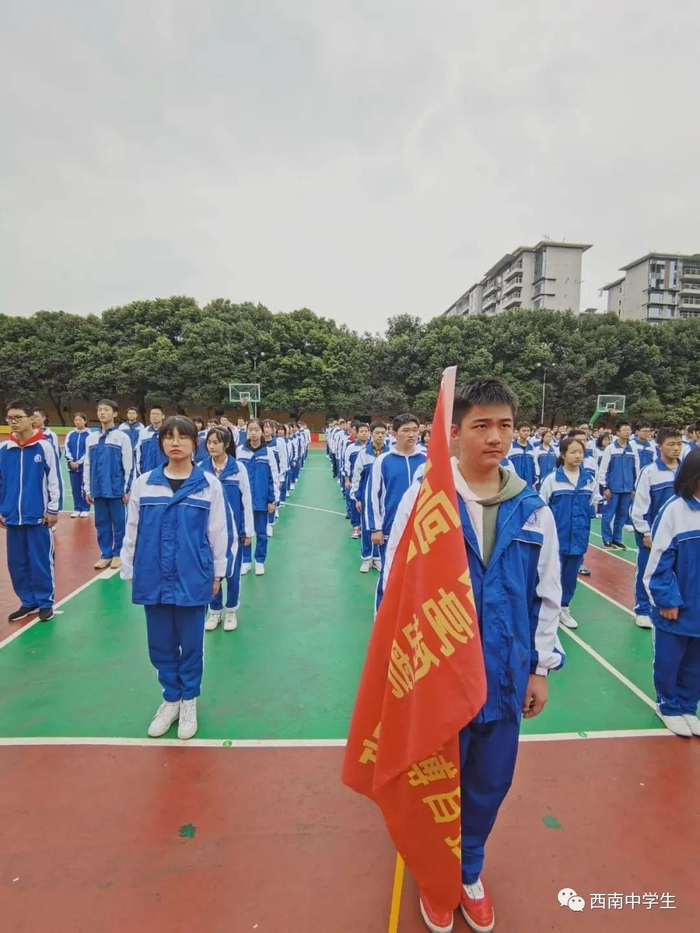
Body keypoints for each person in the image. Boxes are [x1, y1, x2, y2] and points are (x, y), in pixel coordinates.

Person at [385, 378, 564, 933]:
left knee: (488, 780)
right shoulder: (423, 501)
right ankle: (434, 877)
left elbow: (549, 594)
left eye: (505, 425)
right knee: (433, 779)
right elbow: (392, 590)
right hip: (435, 674)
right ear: (454, 432)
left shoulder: (534, 510)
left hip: (504, 675)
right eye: (481, 425)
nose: (495, 437)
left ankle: (469, 869)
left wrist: (539, 668)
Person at [121, 416, 234, 740]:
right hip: (152, 573)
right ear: (161, 443)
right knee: (160, 644)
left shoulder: (208, 484)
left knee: (191, 644)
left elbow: (218, 532)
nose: (175, 442)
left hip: (192, 574)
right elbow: (132, 529)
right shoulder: (145, 483)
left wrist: (218, 571)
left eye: (182, 436)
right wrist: (128, 567)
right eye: (168, 436)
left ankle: (189, 701)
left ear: (194, 443)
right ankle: (170, 698)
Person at [644, 448, 700, 738]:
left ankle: (689, 706)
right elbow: (659, 562)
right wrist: (666, 599)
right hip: (678, 607)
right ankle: (668, 705)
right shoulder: (675, 510)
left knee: (696, 663)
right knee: (670, 659)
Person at [0, 400, 60, 623]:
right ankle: (28, 602)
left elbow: (54, 480)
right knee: (16, 562)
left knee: (40, 560)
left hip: (37, 517)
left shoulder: (43, 447)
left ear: (31, 419)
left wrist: (53, 509)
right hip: (12, 517)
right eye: (9, 418)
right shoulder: (4, 450)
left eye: (18, 417)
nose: (13, 422)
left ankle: (45, 602)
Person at [367, 414, 426, 605]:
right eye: (406, 430)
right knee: (390, 574)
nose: (411, 435)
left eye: (415, 430)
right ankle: (383, 616)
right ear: (394, 433)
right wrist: (376, 528)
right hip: (391, 528)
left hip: (421, 530)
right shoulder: (383, 461)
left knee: (419, 576)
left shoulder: (427, 460)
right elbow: (372, 496)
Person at [539, 437, 595, 628]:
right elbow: (542, 509)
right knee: (550, 574)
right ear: (563, 455)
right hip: (556, 538)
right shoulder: (552, 480)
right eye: (573, 452)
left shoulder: (589, 480)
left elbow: (590, 505)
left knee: (570, 576)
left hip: (578, 538)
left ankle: (564, 607)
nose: (578, 456)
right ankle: (546, 608)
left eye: (581, 452)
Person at [630, 427, 683, 629]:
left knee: (679, 570)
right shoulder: (650, 472)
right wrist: (644, 531)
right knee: (648, 570)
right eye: (671, 444)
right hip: (654, 533)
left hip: (680, 534)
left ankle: (674, 605)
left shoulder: (686, 471)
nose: (676, 448)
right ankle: (642, 609)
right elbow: (639, 506)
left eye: (679, 444)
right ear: (659, 446)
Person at [202, 427, 252, 632]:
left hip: (233, 532)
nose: (212, 446)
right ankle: (214, 612)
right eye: (209, 442)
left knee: (232, 573)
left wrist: (248, 530)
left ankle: (231, 610)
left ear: (227, 444)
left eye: (216, 442)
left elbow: (246, 501)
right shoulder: (201, 468)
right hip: (209, 531)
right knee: (212, 572)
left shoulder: (238, 468)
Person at [83, 399, 133, 570]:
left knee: (119, 522)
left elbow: (128, 465)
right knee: (101, 523)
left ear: (115, 413)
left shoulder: (122, 437)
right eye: (99, 410)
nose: (102, 413)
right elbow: (87, 464)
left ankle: (119, 553)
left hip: (116, 488)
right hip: (98, 489)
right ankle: (106, 554)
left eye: (106, 410)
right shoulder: (91, 438)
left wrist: (127, 489)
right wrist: (88, 488)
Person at [236, 418, 279, 575]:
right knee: (244, 531)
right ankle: (246, 560)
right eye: (251, 430)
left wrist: (272, 500)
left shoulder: (268, 452)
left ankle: (259, 560)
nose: (253, 433)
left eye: (256, 430)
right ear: (247, 431)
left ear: (262, 432)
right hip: (242, 501)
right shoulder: (240, 450)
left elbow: (273, 477)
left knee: (261, 532)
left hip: (261, 500)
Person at [351, 421, 389, 572]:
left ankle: (378, 558)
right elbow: (357, 477)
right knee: (367, 527)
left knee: (382, 528)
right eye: (377, 433)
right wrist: (357, 497)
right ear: (371, 434)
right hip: (367, 498)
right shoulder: (363, 454)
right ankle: (367, 558)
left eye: (383, 433)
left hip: (385, 498)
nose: (380, 435)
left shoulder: (390, 453)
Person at [596, 421, 637, 550]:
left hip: (628, 487)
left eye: (629, 429)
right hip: (613, 488)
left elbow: (636, 468)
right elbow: (603, 469)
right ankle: (607, 539)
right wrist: (605, 487)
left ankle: (617, 539)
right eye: (624, 429)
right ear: (618, 432)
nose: (627, 432)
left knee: (622, 515)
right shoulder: (611, 449)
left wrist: (634, 487)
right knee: (608, 514)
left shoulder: (632, 448)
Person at [32, 408, 64, 510]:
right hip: (33, 468)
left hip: (47, 468)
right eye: (32, 417)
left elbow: (56, 454)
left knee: (49, 489)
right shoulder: (29, 434)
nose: (34, 419)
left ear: (43, 418)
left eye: (36, 416)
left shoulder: (50, 435)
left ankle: (51, 511)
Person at [343, 422, 370, 539]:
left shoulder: (373, 447)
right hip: (356, 480)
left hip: (370, 480)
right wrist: (347, 480)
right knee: (355, 502)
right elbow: (347, 465)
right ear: (356, 434)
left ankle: (367, 525)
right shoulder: (351, 447)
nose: (364, 434)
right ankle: (356, 526)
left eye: (366, 431)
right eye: (361, 431)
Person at [65, 412, 92, 517]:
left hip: (84, 467)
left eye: (80, 420)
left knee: (85, 487)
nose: (78, 422)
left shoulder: (89, 435)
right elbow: (67, 448)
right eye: (76, 420)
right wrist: (71, 461)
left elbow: (88, 451)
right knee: (75, 488)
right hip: (72, 467)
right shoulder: (71, 434)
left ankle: (85, 508)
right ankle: (77, 508)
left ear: (85, 421)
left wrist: (79, 462)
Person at [135, 406, 167, 475]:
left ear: (163, 416)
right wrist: (139, 469)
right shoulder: (143, 433)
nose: (154, 416)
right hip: (147, 471)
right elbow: (138, 452)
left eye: (157, 414)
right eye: (152, 414)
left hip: (165, 471)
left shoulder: (168, 432)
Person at [507, 422, 539, 488]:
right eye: (523, 431)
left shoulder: (532, 448)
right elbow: (506, 464)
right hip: (514, 482)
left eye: (528, 431)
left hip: (528, 482)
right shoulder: (511, 446)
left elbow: (535, 465)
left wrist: (535, 481)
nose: (526, 433)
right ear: (518, 432)